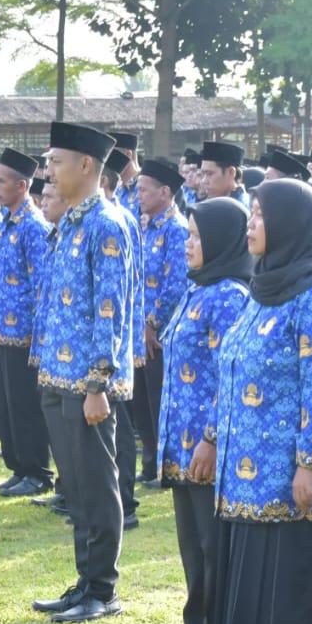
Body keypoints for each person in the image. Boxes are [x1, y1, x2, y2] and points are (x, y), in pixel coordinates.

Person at [211, 178, 312, 624]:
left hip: (295, 469)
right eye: (249, 214)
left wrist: (310, 463)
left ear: (292, 223)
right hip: (250, 466)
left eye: (260, 215)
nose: (250, 224)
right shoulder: (264, 284)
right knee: (257, 570)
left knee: (294, 573)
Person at [30, 121, 137, 622]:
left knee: (97, 484)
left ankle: (103, 589)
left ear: (86, 165)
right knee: (75, 486)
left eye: (56, 161)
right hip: (57, 374)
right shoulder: (70, 221)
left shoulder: (106, 224)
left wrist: (99, 382)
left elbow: (109, 310)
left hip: (88, 383)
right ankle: (84, 580)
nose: (49, 170)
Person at [154, 196, 254, 624]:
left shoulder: (230, 295)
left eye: (196, 237)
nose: (188, 245)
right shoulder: (199, 288)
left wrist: (212, 439)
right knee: (193, 545)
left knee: (213, 546)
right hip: (181, 445)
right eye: (188, 235)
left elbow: (228, 377)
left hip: (207, 447)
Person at [0, 148, 54, 498]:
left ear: (22, 185)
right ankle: (17, 467)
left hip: (22, 334)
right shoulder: (7, 222)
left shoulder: (33, 226)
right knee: (7, 407)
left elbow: (40, 285)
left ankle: (36, 470)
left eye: (0, 181)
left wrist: (36, 336)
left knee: (24, 406)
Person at [133, 157, 190, 488]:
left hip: (160, 334)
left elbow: (175, 284)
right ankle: (149, 461)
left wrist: (152, 323)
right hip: (141, 331)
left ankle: (162, 468)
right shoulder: (145, 226)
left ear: (165, 192)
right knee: (141, 402)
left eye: (144, 190)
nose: (139, 195)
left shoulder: (176, 229)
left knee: (159, 400)